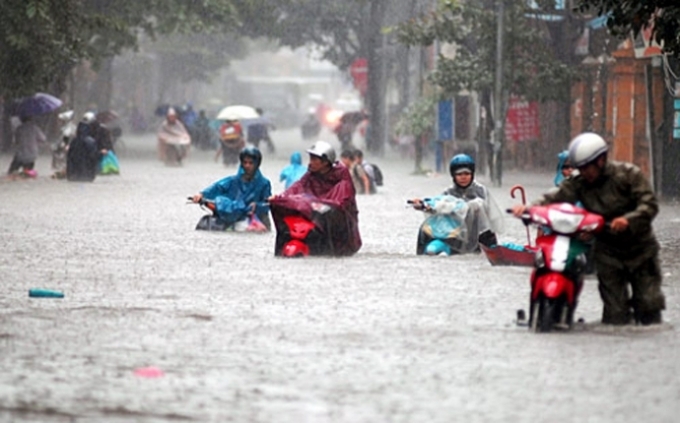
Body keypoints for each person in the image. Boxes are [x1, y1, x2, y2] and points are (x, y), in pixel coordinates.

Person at [512, 132, 666, 325]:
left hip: (640, 250)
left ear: (600, 160)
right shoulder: (580, 183)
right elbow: (556, 196)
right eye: (580, 168)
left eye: (587, 167)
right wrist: (530, 208)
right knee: (615, 314)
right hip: (607, 251)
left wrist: (628, 220)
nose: (584, 173)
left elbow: (649, 204)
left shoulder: (628, 175)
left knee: (649, 306)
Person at [270, 140, 362, 255]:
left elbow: (342, 203)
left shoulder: (341, 178)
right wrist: (279, 198)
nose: (310, 163)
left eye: (314, 160)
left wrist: (324, 205)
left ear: (325, 162)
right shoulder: (310, 175)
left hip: (337, 227)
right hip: (314, 216)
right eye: (310, 159)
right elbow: (297, 188)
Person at [411, 154, 504, 252]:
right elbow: (438, 205)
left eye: (467, 174)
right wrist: (423, 205)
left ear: (472, 174)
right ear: (453, 176)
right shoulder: (448, 192)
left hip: (479, 234)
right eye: (459, 174)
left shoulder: (481, 191)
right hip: (456, 233)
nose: (463, 177)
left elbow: (487, 213)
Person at [191, 146, 272, 230]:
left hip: (256, 219)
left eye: (251, 163)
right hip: (233, 216)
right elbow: (217, 187)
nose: (247, 166)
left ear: (256, 164)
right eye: (245, 162)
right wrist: (201, 194)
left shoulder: (264, 183)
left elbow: (268, 204)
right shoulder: (233, 181)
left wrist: (257, 206)